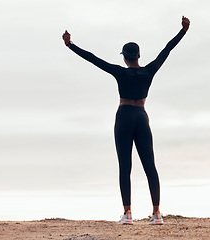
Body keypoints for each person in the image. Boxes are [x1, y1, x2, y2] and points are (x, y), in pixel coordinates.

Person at [62, 16, 190, 225]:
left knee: (125, 165)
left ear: (124, 58)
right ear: (138, 56)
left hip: (124, 117)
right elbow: (167, 50)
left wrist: (70, 45)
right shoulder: (149, 70)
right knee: (150, 165)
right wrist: (183, 31)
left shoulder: (119, 72)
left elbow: (94, 59)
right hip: (141, 117)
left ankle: (127, 214)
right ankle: (157, 214)